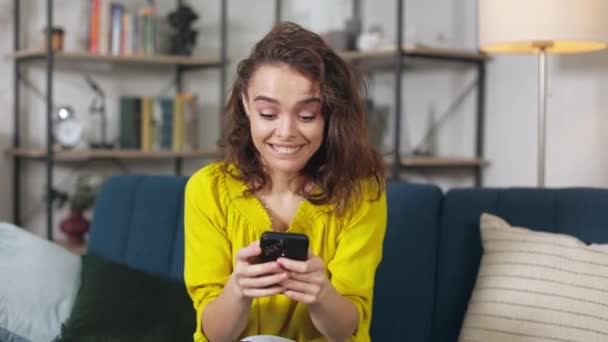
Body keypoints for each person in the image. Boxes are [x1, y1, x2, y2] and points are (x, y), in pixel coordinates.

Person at [184, 21, 387, 342]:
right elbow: (214, 334)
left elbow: (346, 328)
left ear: (330, 114)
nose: (287, 132)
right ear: (245, 104)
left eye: (306, 116)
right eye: (268, 113)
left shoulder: (362, 192)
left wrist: (322, 294)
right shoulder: (207, 189)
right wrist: (238, 290)